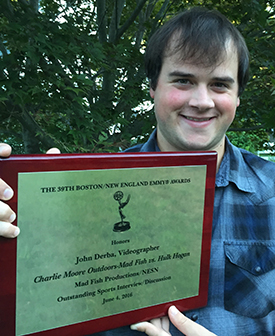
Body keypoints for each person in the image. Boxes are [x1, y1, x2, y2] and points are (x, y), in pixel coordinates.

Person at [1, 6, 275, 336]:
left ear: (237, 96)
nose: (202, 100)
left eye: (219, 85)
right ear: (153, 89)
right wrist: (22, 229)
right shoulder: (90, 192)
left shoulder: (272, 191)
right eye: (183, 80)